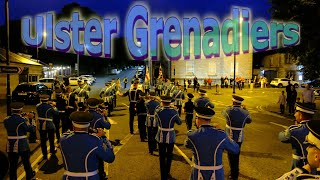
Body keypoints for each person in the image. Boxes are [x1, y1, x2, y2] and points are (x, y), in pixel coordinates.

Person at [185, 107, 240, 180]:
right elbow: (235, 149)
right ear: (210, 120)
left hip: (197, 174)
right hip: (216, 174)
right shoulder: (221, 135)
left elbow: (186, 145)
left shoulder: (192, 135)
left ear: (198, 119)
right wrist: (223, 133)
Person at [60, 111, 115, 180]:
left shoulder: (63, 139)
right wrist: (103, 138)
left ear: (73, 125)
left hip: (68, 177)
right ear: (89, 125)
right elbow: (110, 158)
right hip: (90, 177)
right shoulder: (96, 141)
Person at [222, 95, 252, 180]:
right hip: (240, 137)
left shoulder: (228, 110)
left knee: (231, 156)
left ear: (233, 102)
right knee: (236, 155)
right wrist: (245, 110)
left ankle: (234, 174)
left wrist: (230, 107)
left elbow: (223, 112)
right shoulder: (245, 112)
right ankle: (234, 171)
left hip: (229, 136)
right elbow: (249, 120)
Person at [278, 103, 316, 170]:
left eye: (296, 112)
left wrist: (292, 128)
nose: (295, 115)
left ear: (300, 115)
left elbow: (282, 137)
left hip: (300, 165)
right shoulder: (316, 128)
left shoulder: (295, 131)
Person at [4, 102, 35, 180]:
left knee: (12, 165)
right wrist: (31, 119)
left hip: (10, 144)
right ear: (21, 110)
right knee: (26, 163)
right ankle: (29, 176)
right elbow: (31, 129)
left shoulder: (6, 120)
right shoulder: (22, 120)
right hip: (22, 144)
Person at [155, 96, 182, 180]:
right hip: (170, 135)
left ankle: (163, 176)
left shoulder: (158, 111)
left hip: (160, 135)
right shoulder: (174, 112)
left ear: (162, 102)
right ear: (170, 102)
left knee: (162, 156)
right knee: (169, 156)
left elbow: (156, 121)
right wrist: (176, 111)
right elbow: (180, 122)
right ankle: (167, 173)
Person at [87, 98, 111, 179]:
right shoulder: (99, 116)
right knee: (99, 160)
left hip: (85, 139)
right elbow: (108, 126)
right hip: (96, 139)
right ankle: (100, 175)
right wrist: (105, 116)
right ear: (97, 105)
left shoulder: (84, 114)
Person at [36, 94, 59, 161]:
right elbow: (56, 113)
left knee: (43, 141)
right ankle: (52, 152)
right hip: (49, 124)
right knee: (51, 139)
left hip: (41, 124)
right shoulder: (50, 107)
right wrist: (54, 106)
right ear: (48, 99)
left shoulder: (38, 106)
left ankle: (44, 154)